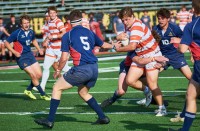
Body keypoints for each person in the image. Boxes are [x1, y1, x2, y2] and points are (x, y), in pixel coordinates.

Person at [34, 9, 120, 128]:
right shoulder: (89, 32)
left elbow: (64, 58)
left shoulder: (67, 35)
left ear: (69, 22)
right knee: (83, 92)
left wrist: (58, 70)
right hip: (94, 68)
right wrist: (114, 46)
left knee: (56, 87)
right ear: (81, 20)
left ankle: (50, 120)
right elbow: (104, 45)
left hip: (82, 69)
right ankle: (102, 117)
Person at [136, 8, 192, 112]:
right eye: (159, 18)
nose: (160, 20)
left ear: (168, 19)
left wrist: (178, 40)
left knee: (191, 77)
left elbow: (185, 40)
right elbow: (151, 42)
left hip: (176, 55)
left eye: (162, 18)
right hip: (162, 57)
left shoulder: (174, 28)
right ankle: (152, 95)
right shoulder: (155, 29)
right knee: (149, 78)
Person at [114, 7, 167, 116]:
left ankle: (162, 108)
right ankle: (147, 92)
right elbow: (126, 38)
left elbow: (132, 46)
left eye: (127, 19)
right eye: (123, 20)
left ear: (132, 16)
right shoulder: (129, 25)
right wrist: (118, 37)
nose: (125, 22)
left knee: (153, 84)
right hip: (141, 55)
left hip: (152, 54)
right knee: (130, 80)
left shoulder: (136, 27)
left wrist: (118, 49)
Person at [169, 0, 200, 130]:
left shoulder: (192, 25)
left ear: (193, 9)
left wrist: (178, 43)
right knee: (190, 93)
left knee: (191, 96)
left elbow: (182, 49)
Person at [4, 15, 51, 101]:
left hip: (30, 55)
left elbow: (33, 40)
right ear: (21, 25)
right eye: (24, 23)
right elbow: (6, 43)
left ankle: (28, 90)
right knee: (33, 75)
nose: (27, 24)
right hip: (21, 57)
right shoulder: (16, 33)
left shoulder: (31, 32)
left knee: (39, 75)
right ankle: (42, 94)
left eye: (28, 22)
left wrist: (39, 49)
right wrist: (14, 52)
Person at [101, 50, 169, 108]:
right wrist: (117, 47)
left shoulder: (152, 44)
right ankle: (112, 100)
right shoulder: (136, 43)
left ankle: (155, 100)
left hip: (142, 66)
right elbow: (138, 58)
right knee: (121, 91)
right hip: (128, 66)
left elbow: (168, 54)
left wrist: (163, 65)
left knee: (152, 83)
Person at [40, 6, 70, 91]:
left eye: (54, 12)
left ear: (56, 13)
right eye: (50, 13)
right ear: (49, 14)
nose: (52, 14)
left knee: (64, 68)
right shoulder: (49, 22)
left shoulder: (58, 22)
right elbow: (49, 34)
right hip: (51, 48)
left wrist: (53, 36)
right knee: (45, 67)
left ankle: (79, 74)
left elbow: (64, 33)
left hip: (59, 48)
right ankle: (42, 86)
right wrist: (46, 40)